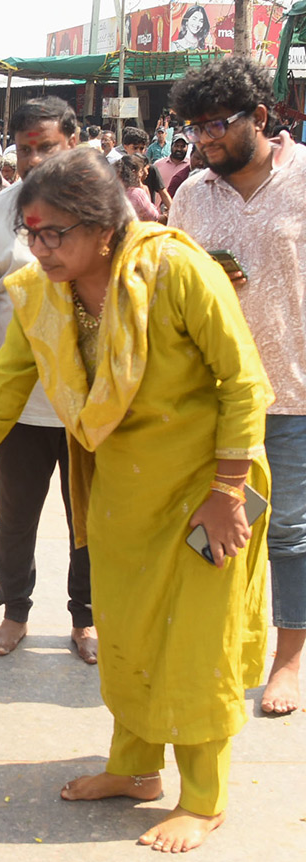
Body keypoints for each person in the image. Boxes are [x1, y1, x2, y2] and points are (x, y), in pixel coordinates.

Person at [0, 147, 273, 853]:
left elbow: (243, 384)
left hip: (203, 492)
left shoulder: (175, 269)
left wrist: (226, 492)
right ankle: (135, 768)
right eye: (33, 234)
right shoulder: (43, 294)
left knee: (193, 645)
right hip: (121, 494)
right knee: (125, 636)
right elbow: (0, 393)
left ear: (103, 227)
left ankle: (205, 799)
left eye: (55, 233)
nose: (40, 248)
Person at [169, 56, 306, 716]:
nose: (204, 140)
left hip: (292, 390)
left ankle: (289, 659)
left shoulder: (305, 179)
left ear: (260, 116)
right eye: (194, 128)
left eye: (216, 125)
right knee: (215, 532)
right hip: (213, 396)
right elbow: (168, 288)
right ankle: (218, 647)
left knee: (288, 533)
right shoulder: (192, 194)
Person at [0, 97, 97, 663]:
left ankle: (87, 618)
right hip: (20, 406)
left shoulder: (104, 209)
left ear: (73, 140)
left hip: (94, 406)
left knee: (91, 519)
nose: (33, 159)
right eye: (25, 148)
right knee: (16, 517)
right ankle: (15, 611)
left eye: (47, 146)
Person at [122, 127, 172, 212]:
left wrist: (174, 212)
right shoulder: (119, 169)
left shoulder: (151, 169)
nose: (138, 152)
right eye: (135, 148)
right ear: (125, 147)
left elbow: (164, 194)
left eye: (141, 148)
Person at [116, 154, 163, 221]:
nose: (144, 173)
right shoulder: (137, 193)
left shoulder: (112, 190)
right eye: (141, 171)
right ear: (134, 172)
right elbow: (153, 216)